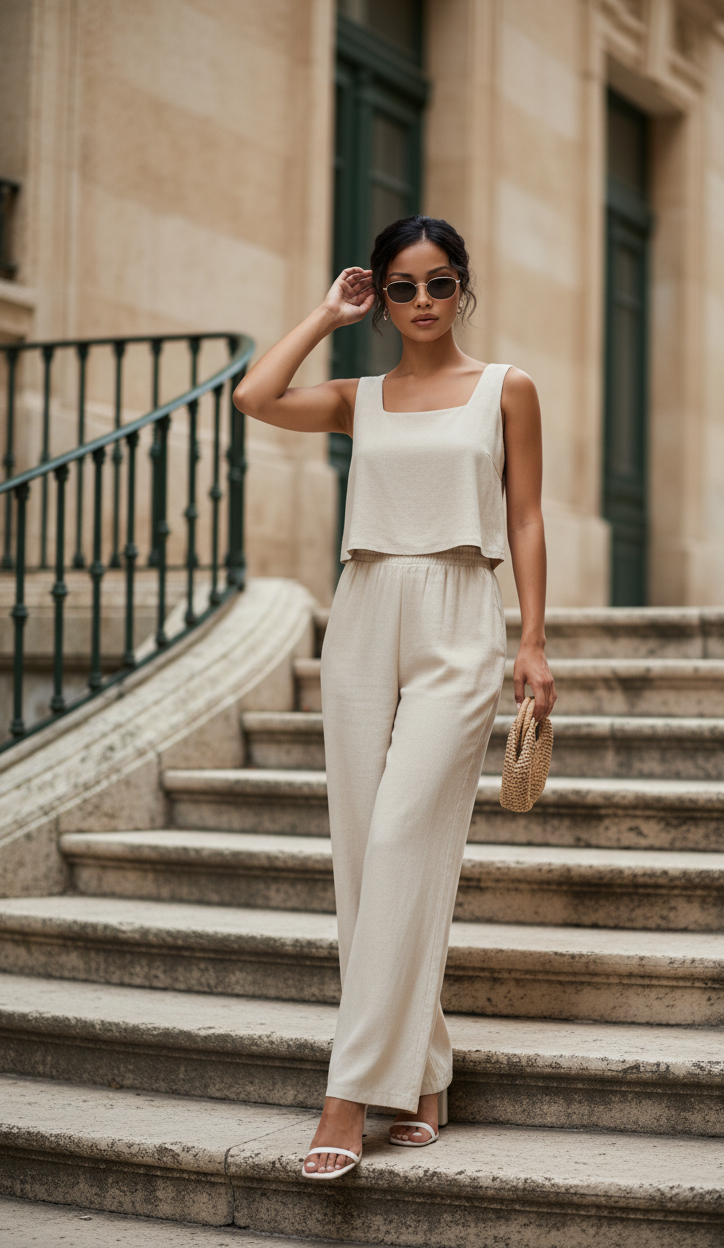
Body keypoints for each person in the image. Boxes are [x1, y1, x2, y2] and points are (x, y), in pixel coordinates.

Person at [233, 215, 556, 1179]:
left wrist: (534, 639)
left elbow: (527, 517)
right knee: (361, 852)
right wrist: (326, 314)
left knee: (403, 836)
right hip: (365, 606)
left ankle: (347, 1095)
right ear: (381, 296)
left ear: (464, 287)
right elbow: (254, 395)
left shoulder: (507, 388)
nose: (422, 301)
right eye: (402, 286)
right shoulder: (358, 398)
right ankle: (423, 1073)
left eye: (440, 282)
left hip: (460, 608)